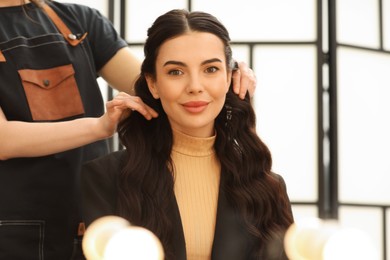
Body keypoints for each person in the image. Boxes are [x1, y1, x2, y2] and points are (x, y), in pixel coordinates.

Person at [0, 1, 256, 259]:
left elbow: (160, 85)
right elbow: (3, 140)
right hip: (19, 222)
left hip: (96, 216)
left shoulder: (79, 21)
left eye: (212, 69)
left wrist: (223, 71)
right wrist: (100, 126)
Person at [81, 9, 294, 260]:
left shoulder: (267, 186)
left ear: (228, 78)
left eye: (211, 69)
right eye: (176, 72)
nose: (195, 86)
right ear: (152, 84)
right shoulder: (105, 178)